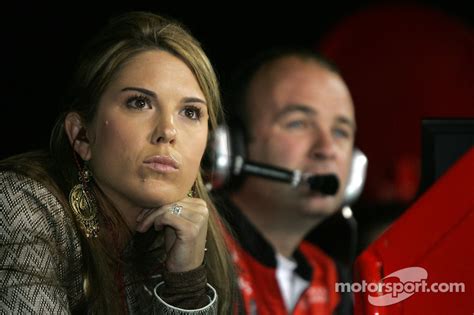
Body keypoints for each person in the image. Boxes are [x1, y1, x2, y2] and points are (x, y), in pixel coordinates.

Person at [0, 11, 236, 314]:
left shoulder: (182, 238)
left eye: (190, 112)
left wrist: (184, 282)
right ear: (82, 136)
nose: (167, 131)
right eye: (139, 103)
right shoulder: (20, 205)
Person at [215, 48, 356, 314]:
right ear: (234, 146)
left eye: (340, 131)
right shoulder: (189, 248)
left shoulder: (334, 282)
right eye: (298, 123)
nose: (327, 148)